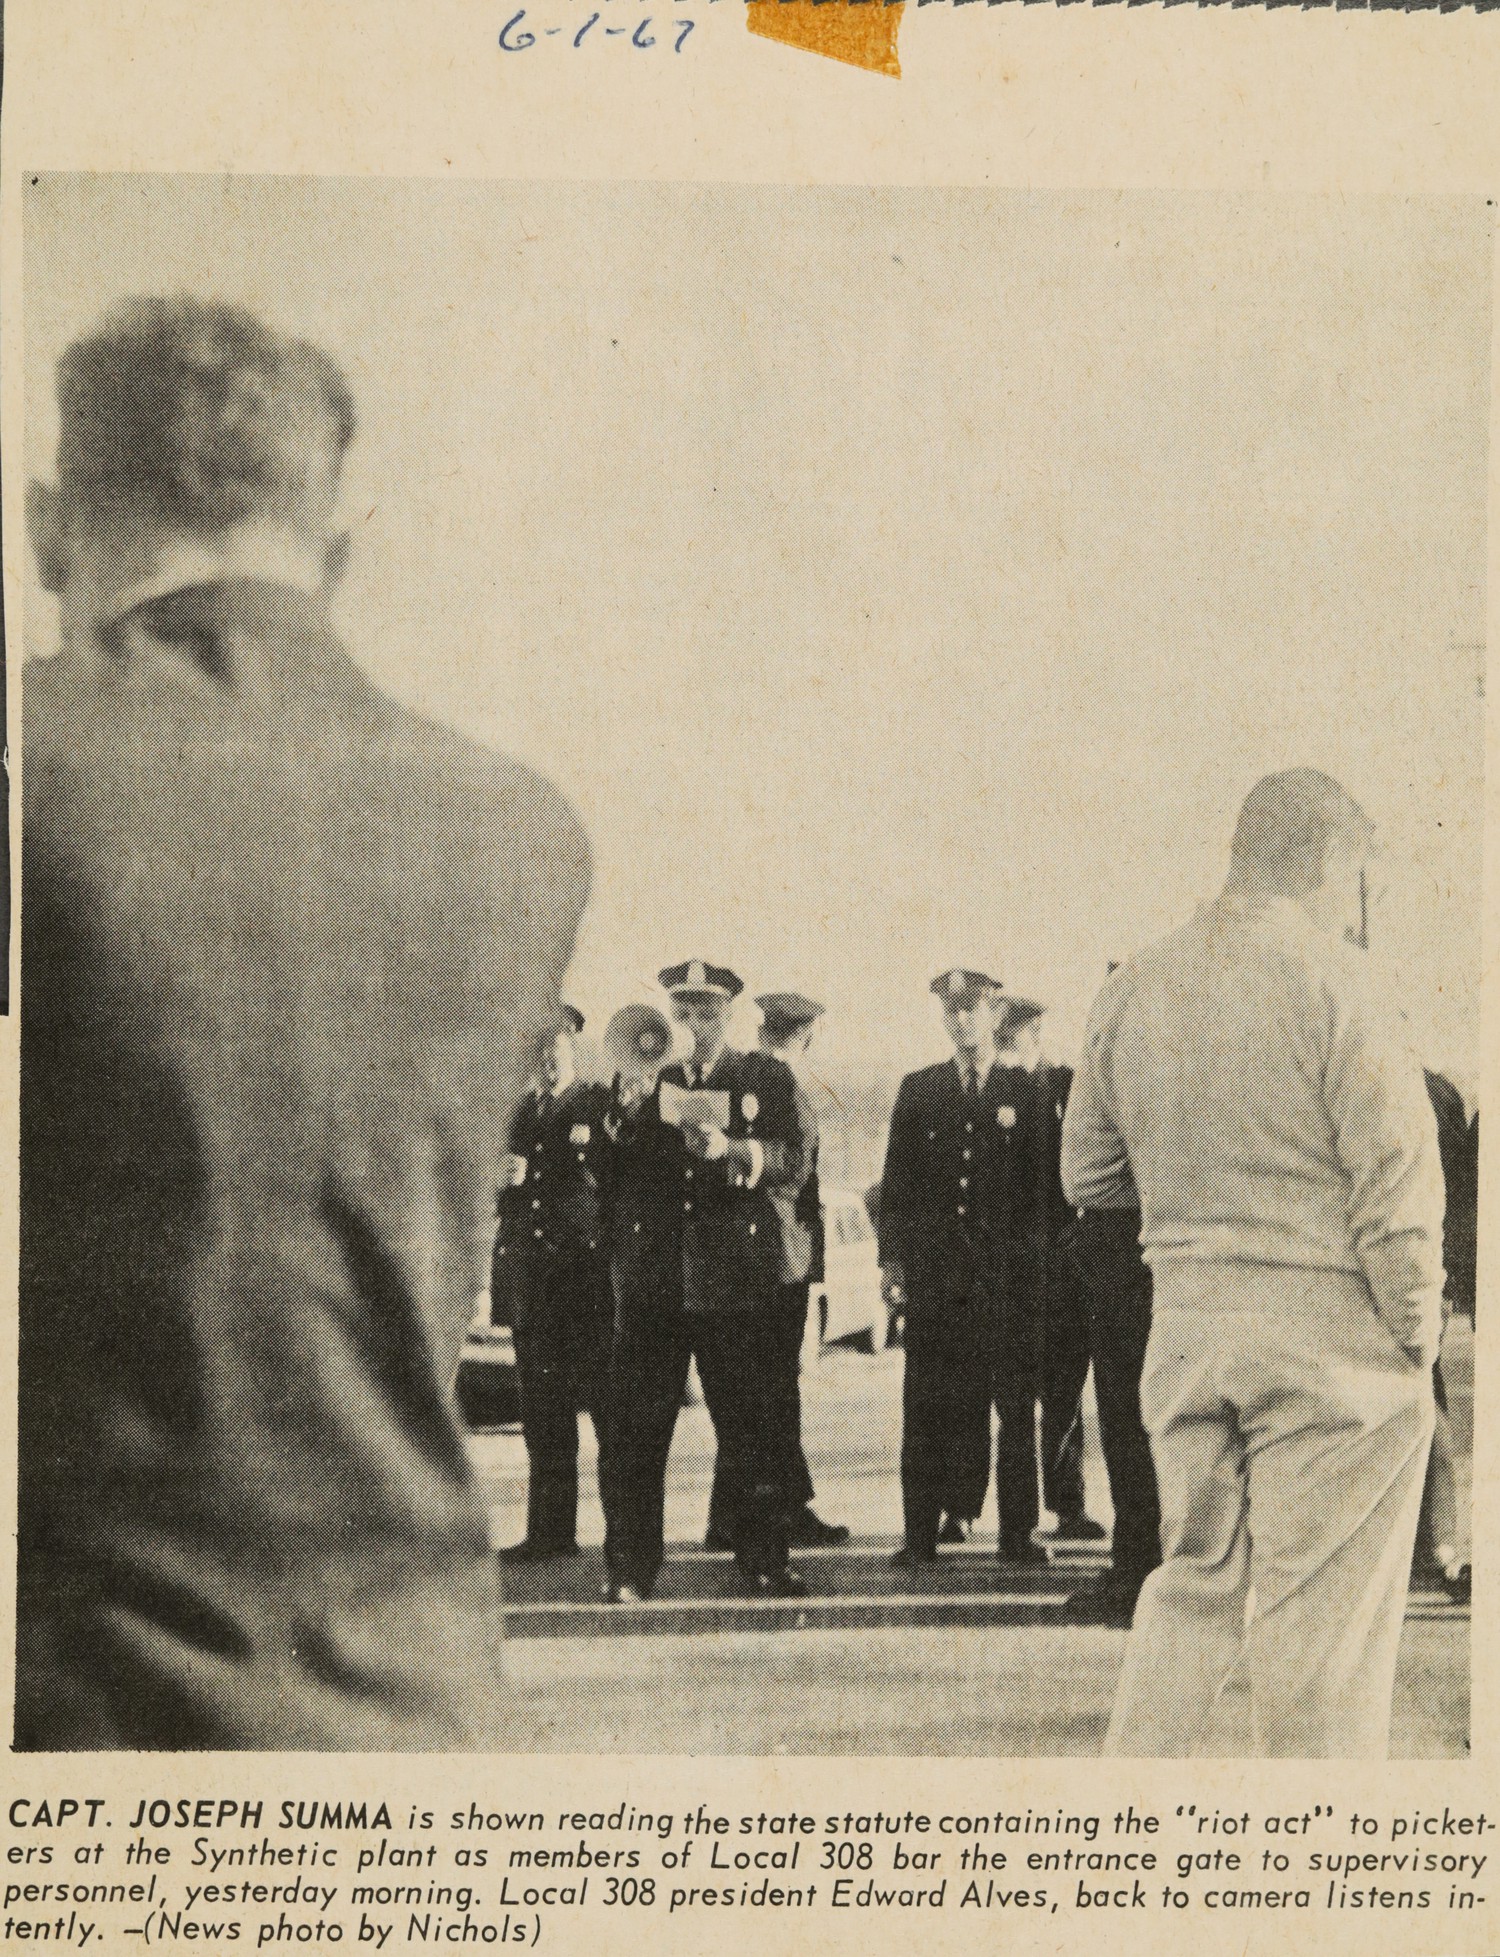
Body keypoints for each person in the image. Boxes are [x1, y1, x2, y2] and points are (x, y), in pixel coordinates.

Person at [18, 298, 589, 1749]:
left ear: (47, 531)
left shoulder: (39, 770)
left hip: (83, 1728)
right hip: (418, 1716)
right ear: (338, 552)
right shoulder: (520, 826)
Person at [1063, 769, 1443, 1758]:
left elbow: (1087, 1172)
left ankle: (1127, 1818)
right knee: (1325, 1643)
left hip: (1188, 1333)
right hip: (1334, 1349)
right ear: (1325, 859)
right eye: (1357, 883)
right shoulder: (1343, 982)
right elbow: (1398, 1191)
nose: (1356, 909)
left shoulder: (1133, 983)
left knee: (1191, 1589)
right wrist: (1415, 1335)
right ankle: (1318, 1843)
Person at [601, 961, 810, 1602]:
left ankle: (764, 1560)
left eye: (707, 1011)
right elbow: (608, 1172)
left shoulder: (763, 1078)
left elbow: (794, 1159)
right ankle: (630, 1570)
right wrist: (624, 1114)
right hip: (658, 1282)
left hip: (734, 1281)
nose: (694, 1023)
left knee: (751, 1427)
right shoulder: (644, 1076)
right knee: (636, 1433)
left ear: (730, 1015)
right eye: (684, 1010)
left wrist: (735, 1151)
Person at [878, 969, 1043, 1571]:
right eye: (952, 1010)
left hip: (1005, 1283)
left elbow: (1041, 1193)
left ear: (996, 1015)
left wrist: (1036, 1270)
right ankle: (919, 1533)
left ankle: (1017, 1535)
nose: (962, 1019)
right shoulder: (920, 1090)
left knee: (1015, 1410)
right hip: (936, 1283)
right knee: (926, 1408)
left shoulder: (1025, 1092)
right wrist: (892, 1261)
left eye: (973, 1008)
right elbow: (896, 1186)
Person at [705, 993, 849, 1551]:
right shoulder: (787, 1084)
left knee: (751, 1391)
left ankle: (741, 1513)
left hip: (756, 1254)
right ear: (806, 1037)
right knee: (771, 1391)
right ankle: (772, 1512)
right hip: (778, 1259)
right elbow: (795, 1167)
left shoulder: (742, 1075)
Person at [493, 1007, 615, 1565]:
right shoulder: (516, 1111)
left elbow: (613, 1179)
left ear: (572, 1048)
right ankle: (549, 1533)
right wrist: (499, 1182)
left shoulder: (596, 1104)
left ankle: (624, 1537)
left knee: (608, 1415)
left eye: (556, 1047)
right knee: (544, 1417)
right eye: (537, 1047)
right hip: (532, 1286)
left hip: (584, 1283)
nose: (546, 1058)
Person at [1414, 1069, 1478, 1605]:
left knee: (1426, 1408)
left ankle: (1439, 1547)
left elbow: (1458, 1194)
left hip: (1409, 1271)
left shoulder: (1435, 1093)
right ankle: (1439, 1547)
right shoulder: (1437, 1092)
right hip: (1417, 1271)